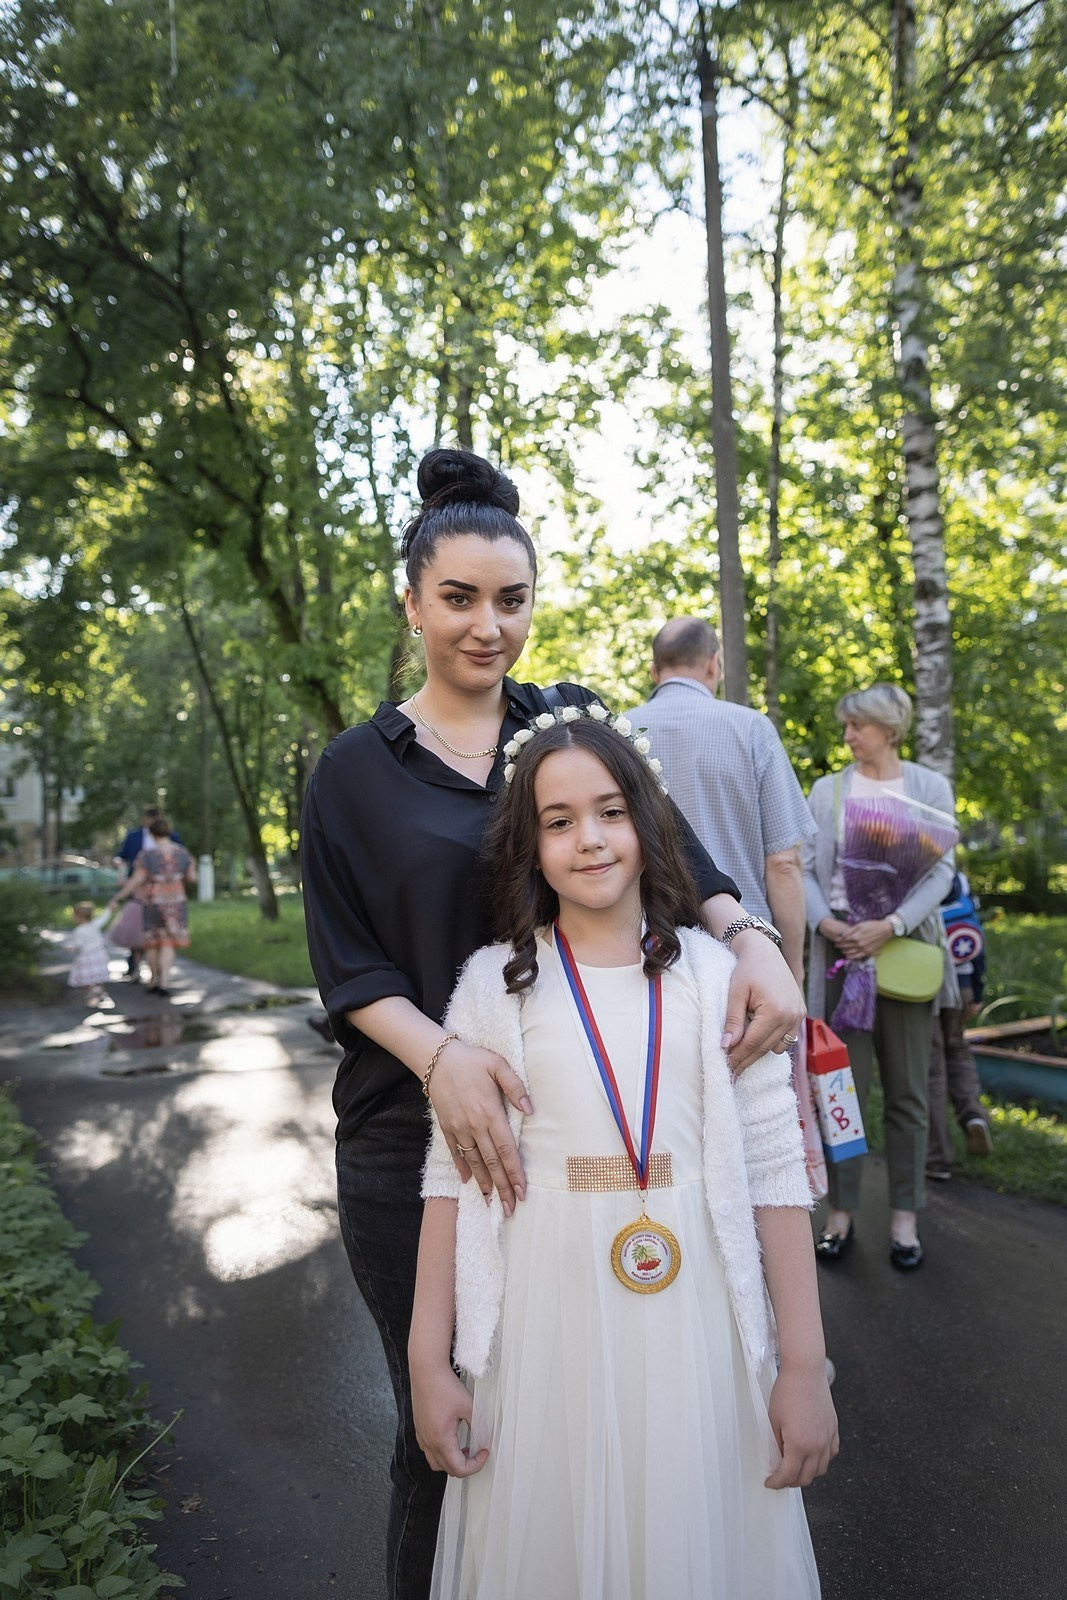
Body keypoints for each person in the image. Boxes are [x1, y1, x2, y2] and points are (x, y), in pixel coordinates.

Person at [299, 447, 806, 1600]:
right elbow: (350, 967)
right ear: (411, 598)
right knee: (453, 1429)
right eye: (460, 598)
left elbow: (677, 857)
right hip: (417, 1147)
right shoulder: (351, 773)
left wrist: (757, 942)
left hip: (589, 1134)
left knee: (587, 1422)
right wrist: (443, 1059)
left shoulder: (566, 725)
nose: (489, 627)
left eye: (512, 600)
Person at [409, 711, 836, 1600]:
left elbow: (773, 1175)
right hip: (540, 1334)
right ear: (529, 846)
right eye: (558, 822)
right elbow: (449, 1181)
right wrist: (427, 1362)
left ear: (648, 819)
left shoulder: (721, 982)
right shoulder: (492, 986)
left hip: (696, 1332)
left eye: (609, 812)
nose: (589, 839)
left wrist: (802, 1368)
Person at [629, 616, 826, 1198]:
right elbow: (785, 865)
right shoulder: (751, 729)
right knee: (758, 1142)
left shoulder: (619, 734)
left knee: (670, 1129)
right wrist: (791, 969)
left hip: (653, 960)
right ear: (713, 663)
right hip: (748, 965)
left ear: (653, 668)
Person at [803, 685, 958, 1271]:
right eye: (846, 727)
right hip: (843, 957)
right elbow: (806, 865)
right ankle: (840, 1215)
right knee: (840, 1091)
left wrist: (891, 924)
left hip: (903, 958)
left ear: (889, 729)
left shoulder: (928, 788)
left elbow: (941, 871)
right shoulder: (827, 791)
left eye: (857, 727)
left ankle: (904, 1220)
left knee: (909, 1093)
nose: (847, 737)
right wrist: (827, 923)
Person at [926, 869, 994, 1179]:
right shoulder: (957, 878)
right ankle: (973, 1116)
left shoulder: (915, 873)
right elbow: (974, 930)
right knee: (957, 1049)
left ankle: (937, 1157)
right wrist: (976, 991)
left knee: (932, 1065)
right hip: (962, 980)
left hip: (923, 981)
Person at [109, 815, 196, 996]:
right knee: (168, 943)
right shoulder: (183, 853)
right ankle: (165, 982)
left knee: (152, 943)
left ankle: (154, 980)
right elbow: (192, 878)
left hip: (153, 902)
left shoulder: (147, 855)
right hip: (176, 902)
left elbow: (136, 880)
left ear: (151, 833)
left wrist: (119, 896)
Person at [67, 901, 114, 1007]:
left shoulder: (79, 931)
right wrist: (109, 908)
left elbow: (78, 944)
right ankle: (99, 991)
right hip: (98, 955)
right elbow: (104, 917)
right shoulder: (94, 925)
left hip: (86, 957)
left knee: (88, 978)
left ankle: (93, 995)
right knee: (97, 976)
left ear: (78, 917)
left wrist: (69, 948)